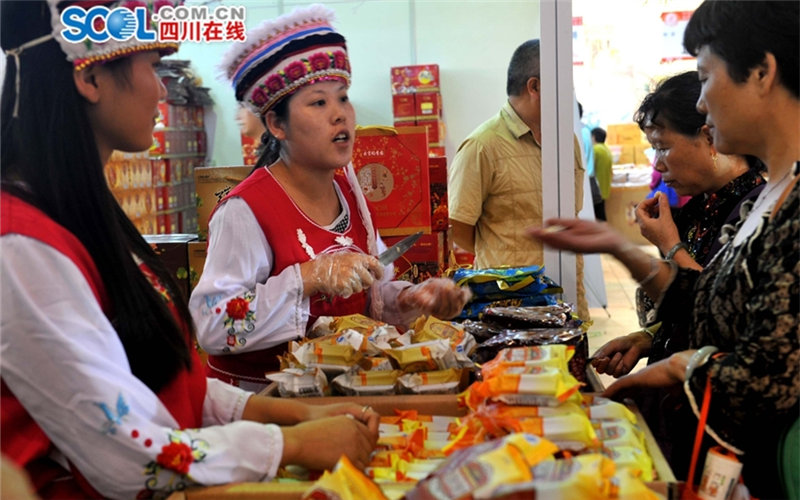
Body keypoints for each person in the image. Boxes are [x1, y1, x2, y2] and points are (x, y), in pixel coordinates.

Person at [0, 2, 381, 498]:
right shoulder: (22, 244)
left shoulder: (83, 214)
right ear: (91, 80)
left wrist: (290, 412)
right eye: (154, 66)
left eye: (342, 99)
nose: (163, 89)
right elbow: (127, 454)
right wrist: (290, 444)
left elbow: (161, 380)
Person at [527, 1, 798, 497]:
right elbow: (710, 309)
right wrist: (622, 249)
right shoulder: (768, 200)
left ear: (762, 72)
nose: (701, 104)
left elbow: (767, 379)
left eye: (706, 76)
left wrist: (675, 368)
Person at [190, 4, 470, 391]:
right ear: (276, 124)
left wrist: (412, 300)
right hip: (265, 410)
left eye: (343, 98)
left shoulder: (350, 194)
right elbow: (213, 324)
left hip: (334, 401)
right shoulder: (246, 211)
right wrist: (308, 277)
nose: (340, 115)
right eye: (319, 103)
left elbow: (368, 300)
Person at [447, 39, 588, 319]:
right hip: (512, 307)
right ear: (534, 87)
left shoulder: (566, 141)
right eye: (563, 86)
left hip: (568, 295)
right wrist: (505, 250)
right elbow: (458, 226)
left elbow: (573, 211)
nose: (569, 94)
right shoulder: (482, 146)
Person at [590, 127, 612, 221]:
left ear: (593, 137)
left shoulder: (595, 150)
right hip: (605, 188)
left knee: (599, 217)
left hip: (596, 188)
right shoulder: (606, 149)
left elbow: (590, 168)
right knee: (601, 214)